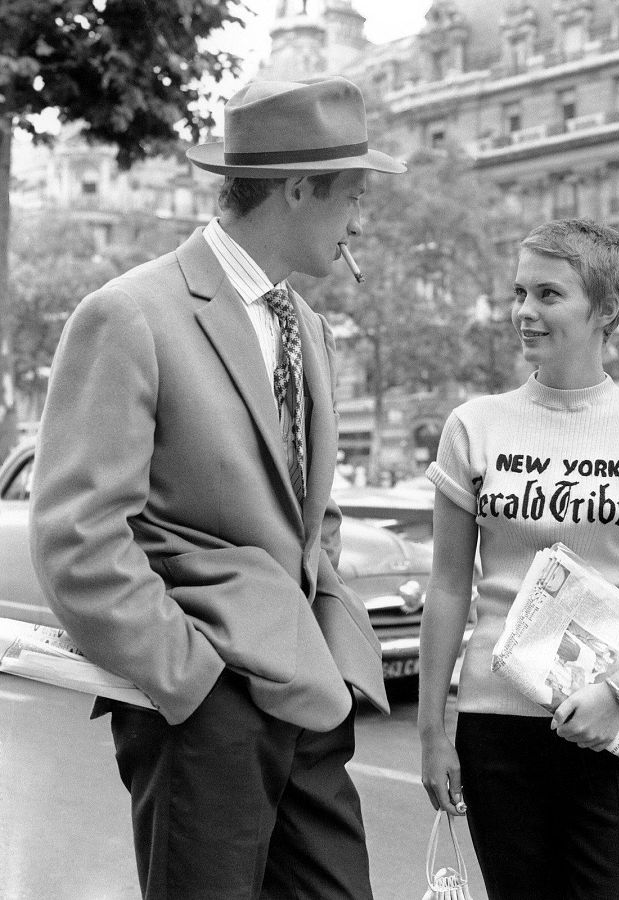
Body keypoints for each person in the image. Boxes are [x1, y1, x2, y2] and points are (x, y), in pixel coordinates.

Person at [29, 77, 405, 900]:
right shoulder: (128, 314)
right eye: (352, 196)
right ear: (299, 189)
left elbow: (314, 512)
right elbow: (78, 538)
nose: (359, 220)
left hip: (310, 695)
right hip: (206, 710)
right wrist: (193, 684)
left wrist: (333, 646)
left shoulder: (303, 324)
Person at [418, 218, 619, 899]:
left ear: (605, 309)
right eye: (520, 292)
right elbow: (447, 586)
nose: (524, 312)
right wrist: (434, 731)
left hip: (614, 729)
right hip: (497, 735)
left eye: (548, 295)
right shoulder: (473, 427)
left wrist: (617, 693)